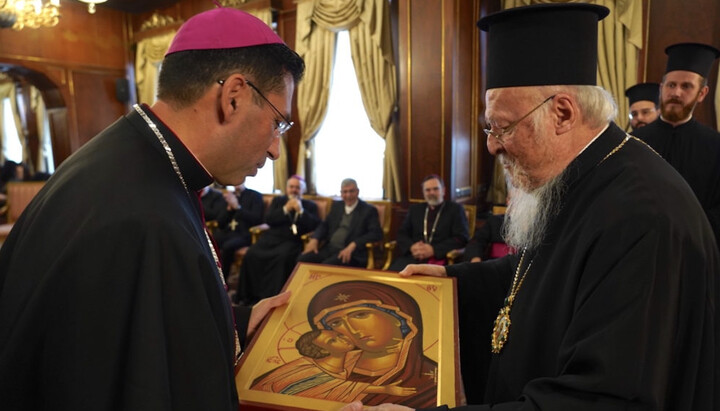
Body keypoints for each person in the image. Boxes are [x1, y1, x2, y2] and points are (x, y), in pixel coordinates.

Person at [342, 3, 719, 411]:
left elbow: (601, 399)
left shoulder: (642, 217)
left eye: (502, 126)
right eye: (489, 127)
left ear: (561, 113)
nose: (491, 144)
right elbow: (543, 270)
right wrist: (453, 280)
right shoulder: (579, 176)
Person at [0, 7, 304, 411]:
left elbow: (136, 321)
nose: (274, 149)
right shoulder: (147, 218)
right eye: (278, 123)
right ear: (233, 97)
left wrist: (239, 321)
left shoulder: (127, 161)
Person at [632, 42, 720, 248]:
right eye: (671, 85)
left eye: (686, 86)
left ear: (702, 93)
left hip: (697, 249)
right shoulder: (633, 142)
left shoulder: (716, 146)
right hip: (640, 247)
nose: (676, 93)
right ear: (661, 89)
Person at [310, 281, 439, 408]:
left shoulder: (430, 380)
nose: (352, 330)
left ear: (398, 318)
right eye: (336, 323)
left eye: (360, 315)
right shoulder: (325, 373)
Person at [251, 329, 416, 401]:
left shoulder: (344, 358)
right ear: (321, 351)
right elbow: (337, 386)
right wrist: (385, 389)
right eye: (333, 340)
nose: (343, 338)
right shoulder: (308, 371)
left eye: (337, 335)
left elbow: (362, 354)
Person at [235, 175, 320, 305]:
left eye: (297, 188)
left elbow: (314, 225)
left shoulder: (310, 205)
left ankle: (272, 297)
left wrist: (301, 211)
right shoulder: (279, 201)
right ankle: (249, 295)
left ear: (303, 190)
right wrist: (285, 209)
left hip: (291, 240)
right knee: (252, 253)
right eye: (291, 187)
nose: (294, 190)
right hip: (271, 238)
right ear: (287, 188)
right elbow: (269, 219)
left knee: (282, 258)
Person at [388, 175, 469, 271]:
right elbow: (402, 233)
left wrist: (434, 250)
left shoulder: (455, 210)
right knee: (393, 276)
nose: (432, 193)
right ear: (423, 192)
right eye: (428, 190)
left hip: (441, 257)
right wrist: (412, 247)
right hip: (414, 257)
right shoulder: (415, 210)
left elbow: (461, 238)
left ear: (443, 190)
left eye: (436, 189)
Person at [298, 178, 382, 267]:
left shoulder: (368, 210)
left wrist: (354, 244)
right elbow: (324, 225)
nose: (348, 195)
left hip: (351, 253)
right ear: (341, 194)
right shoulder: (337, 206)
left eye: (351, 191)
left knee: (325, 267)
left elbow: (376, 233)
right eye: (345, 192)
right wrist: (315, 239)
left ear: (357, 192)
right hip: (329, 248)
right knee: (302, 260)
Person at [214, 183, 264, 279]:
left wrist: (237, 208)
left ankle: (223, 279)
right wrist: (228, 209)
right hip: (229, 232)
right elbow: (220, 223)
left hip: (245, 234)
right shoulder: (229, 196)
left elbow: (256, 219)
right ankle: (212, 275)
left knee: (227, 247)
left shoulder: (255, 196)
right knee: (211, 241)